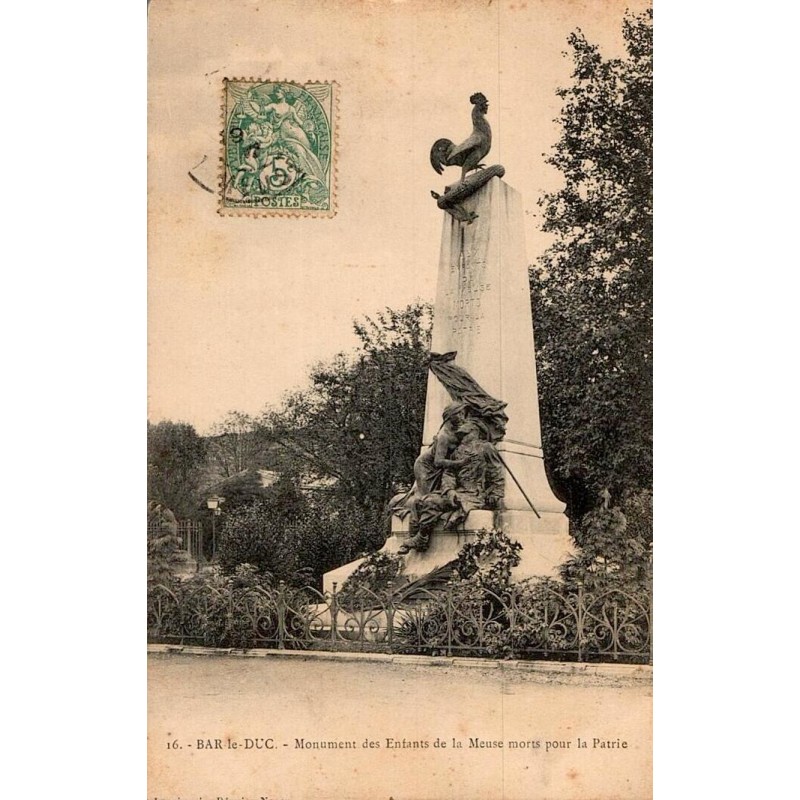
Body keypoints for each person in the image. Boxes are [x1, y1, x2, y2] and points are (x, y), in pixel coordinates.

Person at [398, 417, 505, 554]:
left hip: (473, 494)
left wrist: (496, 494)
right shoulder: (457, 452)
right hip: (457, 492)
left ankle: (422, 537)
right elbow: (449, 474)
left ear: (476, 432)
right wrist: (449, 490)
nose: (462, 438)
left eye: (465, 434)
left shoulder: (486, 448)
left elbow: (496, 472)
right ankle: (416, 537)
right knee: (418, 501)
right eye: (461, 435)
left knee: (431, 502)